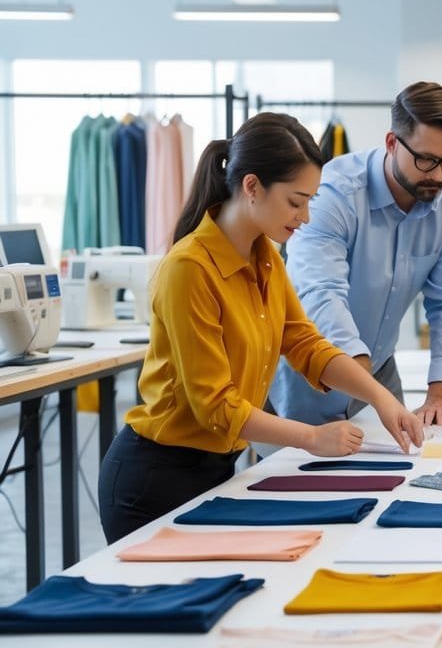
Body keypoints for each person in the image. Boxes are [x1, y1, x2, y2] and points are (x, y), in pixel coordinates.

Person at [98, 113, 425, 543]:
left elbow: (304, 343)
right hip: (154, 481)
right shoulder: (189, 269)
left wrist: (382, 398)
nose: (305, 216)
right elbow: (214, 405)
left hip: (216, 469)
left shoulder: (264, 257)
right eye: (295, 201)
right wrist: (311, 437)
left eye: (310, 201)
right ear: (251, 186)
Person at [269, 82, 442, 429]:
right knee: (298, 478)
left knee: (399, 477)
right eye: (426, 160)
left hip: (379, 368)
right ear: (392, 143)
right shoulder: (332, 194)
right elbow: (321, 294)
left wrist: (440, 394)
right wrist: (369, 390)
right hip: (308, 375)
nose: (439, 176)